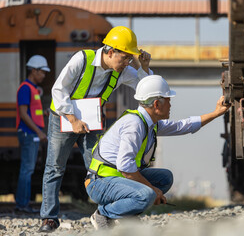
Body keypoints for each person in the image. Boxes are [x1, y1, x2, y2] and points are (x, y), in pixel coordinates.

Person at [39, 26, 153, 233]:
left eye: (129, 59)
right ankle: (49, 218)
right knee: (54, 168)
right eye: (125, 58)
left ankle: (107, 214)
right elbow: (59, 89)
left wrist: (143, 66)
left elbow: (145, 87)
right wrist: (73, 119)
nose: (127, 63)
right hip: (63, 119)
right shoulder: (81, 60)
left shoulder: (123, 70)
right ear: (111, 52)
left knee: (100, 168)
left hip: (93, 121)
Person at [85, 75, 230, 230]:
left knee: (164, 178)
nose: (170, 104)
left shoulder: (149, 123)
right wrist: (153, 190)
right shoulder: (134, 125)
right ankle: (103, 214)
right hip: (100, 182)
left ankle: (124, 215)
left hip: (116, 179)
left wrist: (216, 113)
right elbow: (125, 167)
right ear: (156, 104)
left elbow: (183, 126)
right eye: (168, 100)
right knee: (146, 195)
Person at [15, 55, 49, 213]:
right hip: (29, 134)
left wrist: (44, 113)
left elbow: (31, 111)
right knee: (26, 170)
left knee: (27, 170)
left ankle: (23, 204)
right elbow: (23, 114)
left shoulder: (32, 88)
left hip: (31, 134)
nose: (44, 75)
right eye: (42, 72)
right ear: (34, 70)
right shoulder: (25, 88)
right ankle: (22, 205)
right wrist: (39, 132)